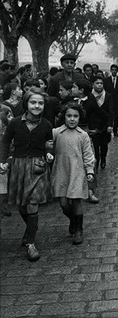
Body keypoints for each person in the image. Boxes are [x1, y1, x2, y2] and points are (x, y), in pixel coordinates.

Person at [0, 89, 53, 261]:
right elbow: (6, 142)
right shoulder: (15, 123)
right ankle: (30, 230)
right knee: (22, 205)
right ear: (26, 104)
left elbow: (48, 144)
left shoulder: (46, 124)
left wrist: (49, 151)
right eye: (33, 102)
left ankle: (31, 243)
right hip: (18, 166)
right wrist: (2, 160)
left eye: (40, 103)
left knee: (32, 203)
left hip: (38, 167)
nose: (37, 106)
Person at [51, 103, 95, 245]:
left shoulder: (83, 135)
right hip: (61, 171)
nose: (72, 119)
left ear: (79, 118)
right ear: (64, 117)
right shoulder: (57, 133)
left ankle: (79, 229)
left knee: (76, 200)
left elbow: (88, 155)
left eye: (75, 116)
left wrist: (89, 171)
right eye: (69, 116)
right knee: (63, 203)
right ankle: (72, 220)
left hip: (77, 171)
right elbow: (49, 148)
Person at [72, 79, 108, 203]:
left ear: (81, 90)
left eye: (74, 87)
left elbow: (104, 115)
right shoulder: (71, 101)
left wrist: (97, 130)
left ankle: (90, 191)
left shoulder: (91, 102)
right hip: (71, 134)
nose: (72, 90)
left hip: (84, 133)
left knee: (89, 162)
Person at [91, 75, 113, 169]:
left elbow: (111, 112)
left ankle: (103, 158)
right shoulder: (90, 96)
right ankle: (97, 159)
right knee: (95, 145)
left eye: (101, 83)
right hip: (94, 124)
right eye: (97, 83)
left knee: (104, 144)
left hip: (105, 124)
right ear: (93, 85)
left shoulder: (107, 96)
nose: (99, 85)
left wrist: (110, 125)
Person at [104, 64, 118, 137]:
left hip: (117, 101)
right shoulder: (106, 80)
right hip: (108, 101)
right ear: (110, 70)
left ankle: (115, 131)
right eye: (113, 70)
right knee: (108, 115)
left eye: (115, 70)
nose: (114, 71)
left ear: (117, 71)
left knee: (116, 116)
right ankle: (108, 129)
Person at [0, 111, 11, 216]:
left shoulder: (6, 138)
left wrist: (6, 163)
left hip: (3, 168)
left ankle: (3, 206)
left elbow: (12, 152)